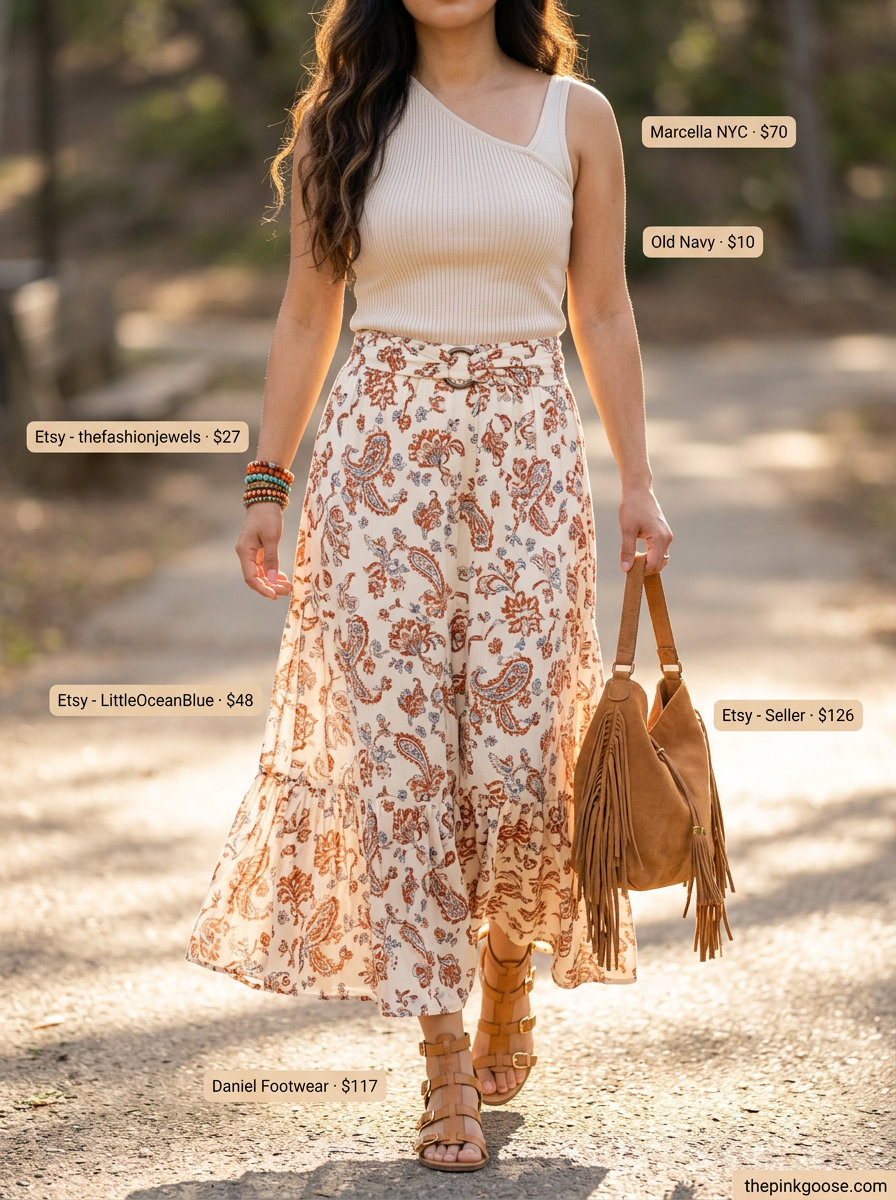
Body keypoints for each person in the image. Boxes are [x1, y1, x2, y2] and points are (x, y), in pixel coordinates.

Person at [185, 0, 673, 1173]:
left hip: (525, 458)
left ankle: (508, 957)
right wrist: (267, 481)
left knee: (515, 744)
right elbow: (309, 312)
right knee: (400, 757)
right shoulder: (342, 122)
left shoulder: (578, 118)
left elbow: (598, 310)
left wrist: (639, 483)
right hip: (375, 466)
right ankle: (441, 1055)